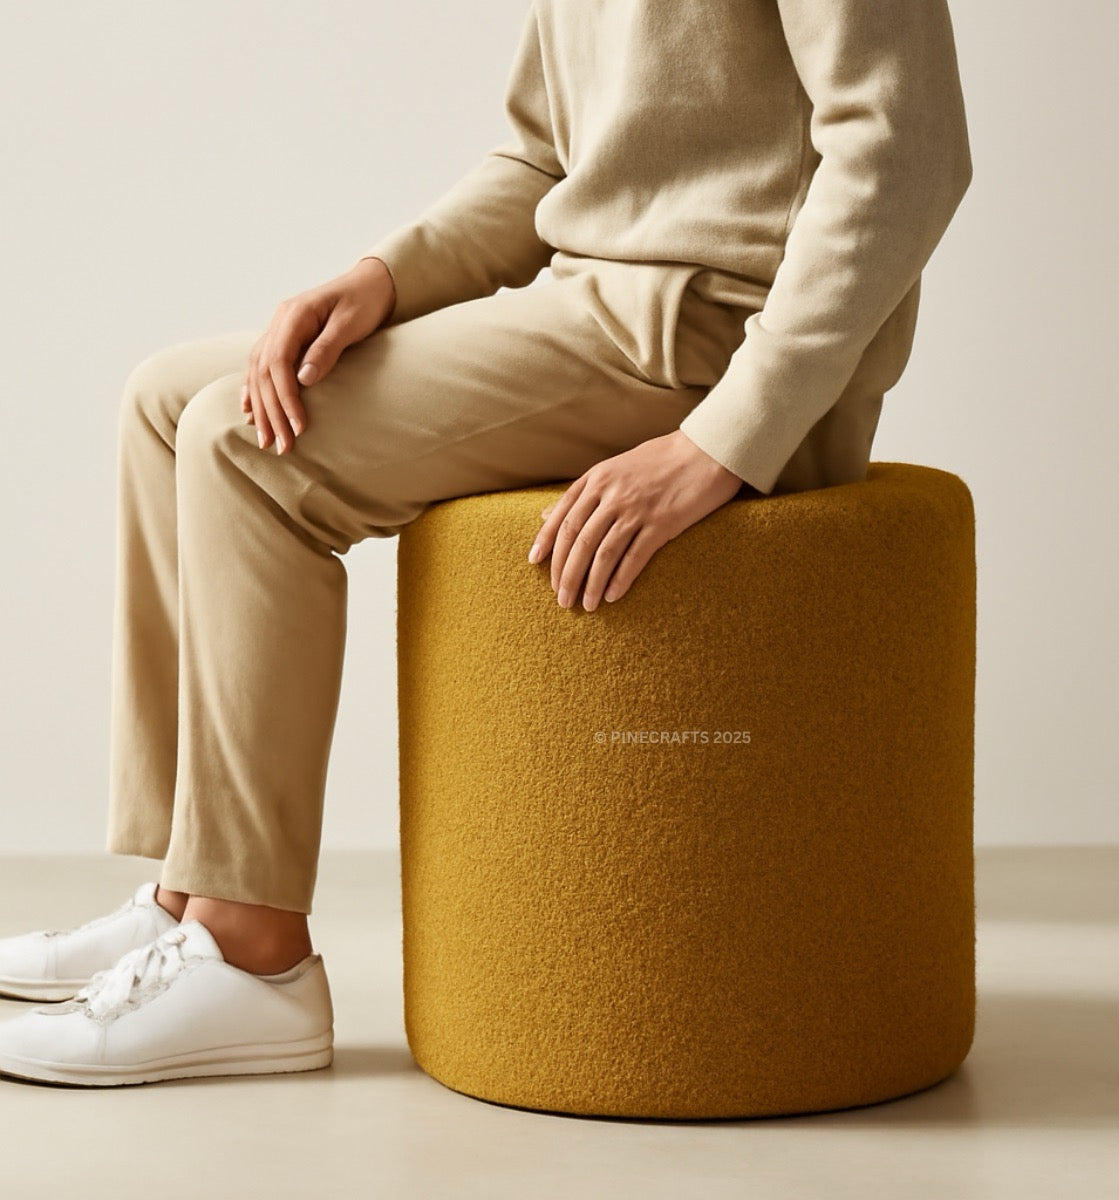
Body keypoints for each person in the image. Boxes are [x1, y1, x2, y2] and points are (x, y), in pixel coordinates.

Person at [0, 0, 972, 1087]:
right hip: (597, 306)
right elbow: (545, 158)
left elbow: (908, 150)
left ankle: (251, 951)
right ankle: (188, 895)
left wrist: (727, 438)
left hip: (715, 331)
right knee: (163, 403)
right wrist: (385, 276)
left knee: (243, 447)